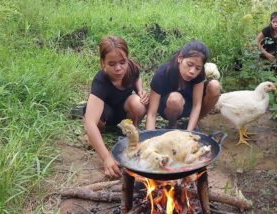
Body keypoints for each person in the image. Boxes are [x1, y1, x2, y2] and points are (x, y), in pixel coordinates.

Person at [84, 35, 148, 177]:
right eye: (112, 64)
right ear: (103, 63)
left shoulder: (130, 67)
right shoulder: (101, 81)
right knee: (95, 123)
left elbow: (137, 77)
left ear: (127, 59)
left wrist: (140, 90)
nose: (118, 68)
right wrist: (107, 158)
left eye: (122, 62)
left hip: (123, 110)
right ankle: (96, 136)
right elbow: (90, 122)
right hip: (105, 112)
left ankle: (129, 131)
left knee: (139, 103)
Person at [145, 41, 220, 131]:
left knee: (215, 86)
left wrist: (189, 133)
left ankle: (194, 123)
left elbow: (196, 105)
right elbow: (151, 114)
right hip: (167, 107)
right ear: (180, 58)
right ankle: (172, 125)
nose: (192, 71)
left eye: (198, 68)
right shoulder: (163, 73)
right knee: (175, 99)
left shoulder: (199, 73)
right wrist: (150, 138)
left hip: (188, 104)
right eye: (189, 65)